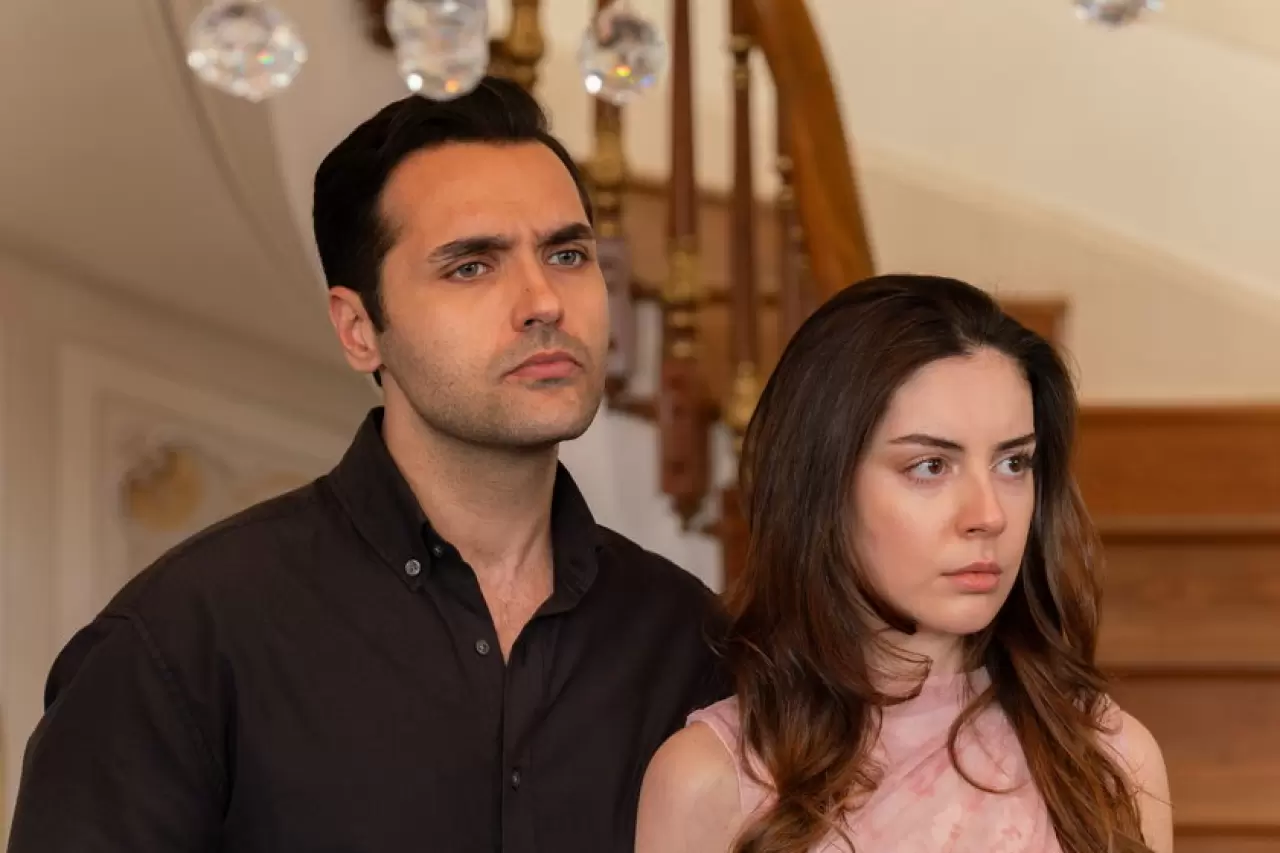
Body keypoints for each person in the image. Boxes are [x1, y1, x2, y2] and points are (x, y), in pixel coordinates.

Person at [7, 76, 727, 853]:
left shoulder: (693, 641)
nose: (543, 300)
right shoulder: (183, 638)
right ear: (358, 329)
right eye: (471, 266)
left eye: (567, 253)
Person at [635, 274, 1173, 853]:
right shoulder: (709, 781)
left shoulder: (1112, 761)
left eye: (1013, 463)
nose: (989, 515)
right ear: (822, 487)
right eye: (930, 466)